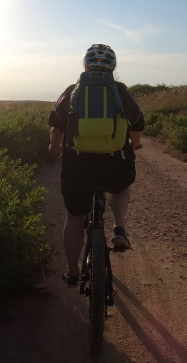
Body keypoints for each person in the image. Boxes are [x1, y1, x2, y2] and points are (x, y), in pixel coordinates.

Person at [48, 44, 144, 288]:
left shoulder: (73, 90)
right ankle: (119, 228)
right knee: (121, 186)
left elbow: (56, 126)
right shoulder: (120, 91)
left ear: (85, 65)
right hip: (114, 162)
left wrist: (55, 148)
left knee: (74, 217)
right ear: (113, 66)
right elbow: (136, 123)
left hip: (78, 164)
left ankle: (73, 272)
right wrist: (135, 145)